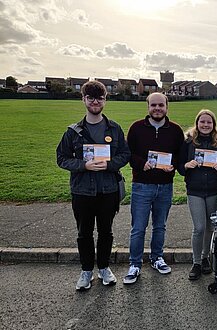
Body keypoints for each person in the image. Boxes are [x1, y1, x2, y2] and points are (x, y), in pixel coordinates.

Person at [56, 80, 130, 291]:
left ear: (105, 100)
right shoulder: (73, 131)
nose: (95, 101)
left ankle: (104, 268)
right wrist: (83, 165)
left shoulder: (114, 128)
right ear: (84, 100)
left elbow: (125, 154)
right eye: (91, 97)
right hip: (82, 191)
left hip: (108, 189)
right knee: (84, 233)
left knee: (106, 232)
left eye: (100, 98)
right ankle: (86, 271)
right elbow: (61, 158)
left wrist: (109, 165)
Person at [123, 92, 184, 284]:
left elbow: (180, 155)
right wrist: (142, 164)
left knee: (160, 226)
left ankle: (157, 258)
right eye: (153, 105)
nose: (157, 108)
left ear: (167, 107)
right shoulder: (136, 128)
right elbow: (127, 154)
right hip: (141, 185)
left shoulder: (175, 130)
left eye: (161, 105)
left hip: (165, 186)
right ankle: (135, 264)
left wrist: (173, 164)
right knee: (138, 228)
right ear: (148, 107)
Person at [178, 109, 217, 280]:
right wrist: (187, 165)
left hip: (214, 191)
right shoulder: (188, 142)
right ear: (197, 123)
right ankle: (196, 263)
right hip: (194, 190)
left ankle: (205, 257)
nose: (205, 125)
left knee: (210, 227)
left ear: (214, 124)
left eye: (209, 122)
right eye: (202, 122)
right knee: (199, 227)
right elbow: (179, 167)